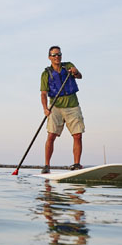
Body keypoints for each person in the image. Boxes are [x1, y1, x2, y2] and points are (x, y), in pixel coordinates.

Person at [40, 45, 84, 173]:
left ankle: (76, 164)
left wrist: (75, 72)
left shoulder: (68, 65)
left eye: (59, 54)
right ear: (49, 58)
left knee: (77, 135)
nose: (57, 57)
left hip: (72, 105)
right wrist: (45, 109)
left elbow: (79, 76)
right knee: (51, 135)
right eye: (54, 55)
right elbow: (43, 93)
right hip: (55, 107)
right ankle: (47, 165)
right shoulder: (45, 74)